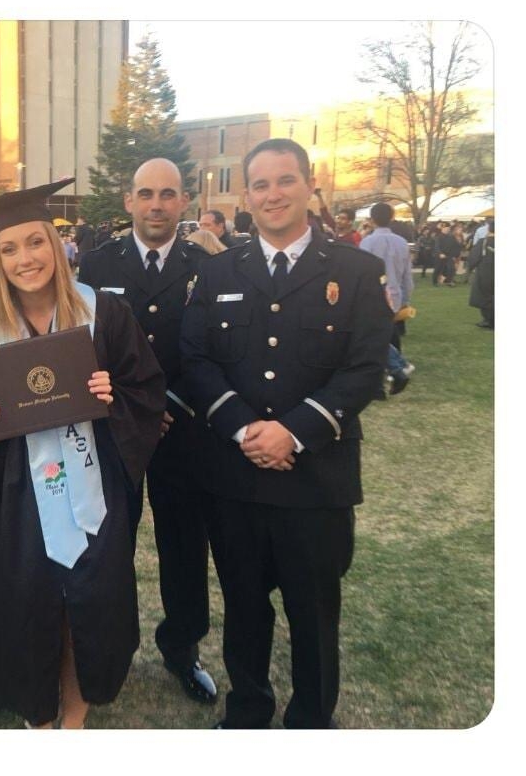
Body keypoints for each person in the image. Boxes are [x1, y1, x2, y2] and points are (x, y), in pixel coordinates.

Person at [179, 138, 392, 729]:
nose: (273, 194)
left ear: (309, 185)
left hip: (315, 477)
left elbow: (365, 369)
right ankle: (247, 709)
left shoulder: (356, 271)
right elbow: (195, 360)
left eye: (286, 180)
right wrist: (247, 428)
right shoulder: (217, 270)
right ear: (246, 195)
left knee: (314, 612)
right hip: (236, 474)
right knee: (244, 607)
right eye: (261, 184)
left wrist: (293, 433)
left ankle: (310, 722)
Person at [0, 180, 166, 728]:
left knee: (88, 606)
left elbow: (147, 390)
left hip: (96, 487)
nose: (27, 259)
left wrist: (115, 398)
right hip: (20, 499)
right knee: (32, 609)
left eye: (36, 242)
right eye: (10, 249)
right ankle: (38, 719)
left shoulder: (104, 314)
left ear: (55, 243)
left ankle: (74, 719)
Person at [79, 158, 218, 706]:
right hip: (115, 431)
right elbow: (82, 345)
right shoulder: (95, 262)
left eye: (167, 194)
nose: (156, 204)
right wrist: (136, 406)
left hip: (183, 429)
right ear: (128, 202)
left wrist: (164, 402)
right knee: (109, 546)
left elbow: (212, 346)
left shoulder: (206, 264)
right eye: (145, 194)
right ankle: (104, 652)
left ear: (183, 202)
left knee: (185, 545)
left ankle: (182, 649)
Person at [360, 202, 415, 394]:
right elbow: (407, 274)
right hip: (395, 294)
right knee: (378, 334)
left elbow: (362, 273)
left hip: (373, 295)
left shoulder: (367, 242)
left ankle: (396, 367)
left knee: (371, 336)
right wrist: (406, 297)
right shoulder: (401, 242)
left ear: (372, 219)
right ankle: (396, 366)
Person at [467, 220, 495, 328]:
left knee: (485, 297)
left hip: (485, 273)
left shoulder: (484, 242)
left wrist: (470, 268)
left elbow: (474, 258)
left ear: (488, 229)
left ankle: (489, 321)